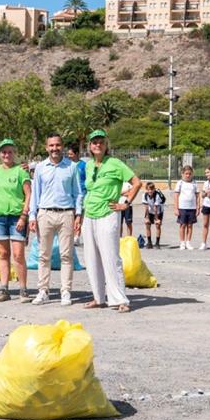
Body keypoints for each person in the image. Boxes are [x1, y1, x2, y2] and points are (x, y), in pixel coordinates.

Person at [81, 130, 141, 313]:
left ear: (106, 145)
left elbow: (136, 182)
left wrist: (126, 203)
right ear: (90, 146)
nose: (97, 145)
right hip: (90, 213)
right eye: (94, 142)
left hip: (108, 212)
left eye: (100, 142)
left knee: (110, 256)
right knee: (91, 258)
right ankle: (98, 297)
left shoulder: (115, 164)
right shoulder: (89, 165)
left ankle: (119, 299)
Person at [28, 134, 82, 306]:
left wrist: (78, 214)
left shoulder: (71, 167)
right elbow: (35, 193)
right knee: (44, 255)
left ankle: (66, 291)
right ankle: (43, 291)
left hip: (66, 213)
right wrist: (32, 215)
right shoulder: (40, 167)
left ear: (62, 146)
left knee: (66, 255)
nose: (54, 148)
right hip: (45, 213)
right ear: (46, 147)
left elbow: (78, 192)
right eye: (51, 145)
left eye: (57, 145)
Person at [0, 139, 31, 302]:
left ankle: (23, 289)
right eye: (3, 152)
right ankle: (4, 288)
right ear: (0, 154)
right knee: (3, 253)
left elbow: (28, 193)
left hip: (16, 217)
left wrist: (24, 215)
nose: (6, 155)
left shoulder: (21, 170)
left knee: (18, 254)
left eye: (9, 152)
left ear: (14, 153)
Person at [173, 165, 200, 250]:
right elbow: (176, 196)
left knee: (190, 225)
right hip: (182, 207)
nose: (188, 175)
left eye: (189, 174)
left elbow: (198, 196)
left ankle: (188, 242)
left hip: (192, 207)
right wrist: (176, 208)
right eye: (186, 174)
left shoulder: (194, 183)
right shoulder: (180, 183)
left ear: (192, 174)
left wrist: (198, 207)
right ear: (182, 174)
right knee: (182, 225)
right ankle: (182, 242)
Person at [66, 143, 87, 245]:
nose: (69, 156)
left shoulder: (83, 165)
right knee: (70, 216)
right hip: (70, 195)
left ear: (77, 154)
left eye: (71, 154)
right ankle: (70, 235)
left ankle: (77, 236)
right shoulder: (67, 165)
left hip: (81, 194)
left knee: (79, 215)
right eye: (68, 154)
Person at [142, 182, 166, 249]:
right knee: (147, 224)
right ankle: (149, 242)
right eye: (148, 189)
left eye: (151, 189)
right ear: (146, 189)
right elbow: (146, 207)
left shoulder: (157, 195)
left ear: (154, 189)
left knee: (157, 225)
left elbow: (156, 208)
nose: (150, 191)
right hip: (150, 211)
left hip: (158, 211)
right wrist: (146, 217)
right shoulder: (144, 195)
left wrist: (157, 219)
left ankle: (157, 243)